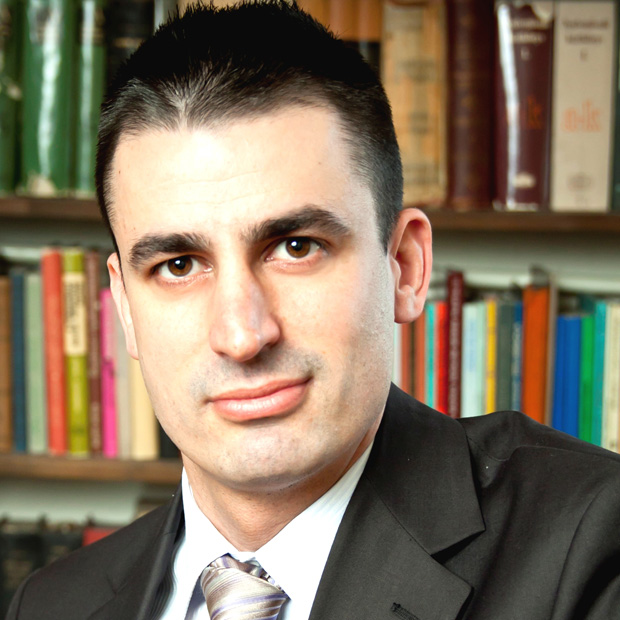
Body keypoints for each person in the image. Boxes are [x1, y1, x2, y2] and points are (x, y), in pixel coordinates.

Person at [8, 2, 620, 619]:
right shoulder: (50, 605)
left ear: (405, 266)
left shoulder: (592, 544)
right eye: (179, 265)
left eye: (295, 248)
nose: (243, 335)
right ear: (125, 310)